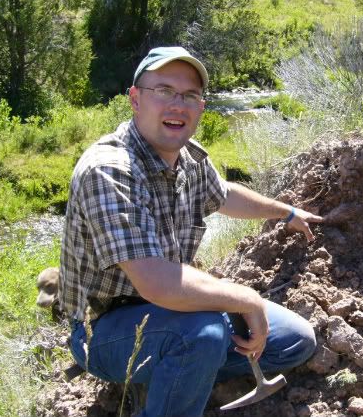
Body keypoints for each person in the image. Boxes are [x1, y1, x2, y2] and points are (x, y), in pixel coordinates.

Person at [59, 46, 323, 416]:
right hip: (105, 331)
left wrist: (286, 211)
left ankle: (170, 378)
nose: (177, 104)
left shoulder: (188, 158)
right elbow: (159, 284)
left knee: (293, 341)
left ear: (201, 107)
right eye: (163, 91)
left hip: (171, 313)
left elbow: (225, 194)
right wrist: (246, 298)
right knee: (200, 333)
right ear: (135, 99)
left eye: (190, 95)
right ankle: (165, 388)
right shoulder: (109, 170)